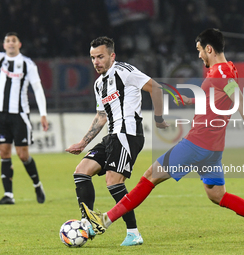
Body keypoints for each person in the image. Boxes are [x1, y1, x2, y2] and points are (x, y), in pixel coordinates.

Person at [80, 29, 244, 244]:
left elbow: (240, 102)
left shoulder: (221, 72)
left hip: (196, 144)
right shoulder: (227, 70)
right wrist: (191, 101)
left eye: (200, 50)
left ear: (209, 49)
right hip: (213, 149)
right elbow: (218, 99)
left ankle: (104, 220)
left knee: (149, 177)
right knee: (217, 195)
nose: (199, 55)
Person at [65, 36, 168, 246]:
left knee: (113, 181)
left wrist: (158, 119)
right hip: (112, 135)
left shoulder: (124, 71)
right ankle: (87, 223)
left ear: (112, 56)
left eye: (100, 57)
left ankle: (133, 233)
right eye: (93, 58)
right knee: (81, 171)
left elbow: (155, 88)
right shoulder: (98, 84)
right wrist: (83, 143)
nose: (96, 62)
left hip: (129, 135)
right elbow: (101, 116)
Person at [0, 20, 49, 205]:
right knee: (4, 152)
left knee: (23, 155)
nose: (11, 43)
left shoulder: (27, 64)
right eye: (8, 41)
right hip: (1, 115)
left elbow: (37, 89)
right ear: (4, 45)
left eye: (14, 40)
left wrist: (43, 113)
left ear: (19, 44)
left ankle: (37, 184)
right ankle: (9, 195)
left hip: (19, 115)